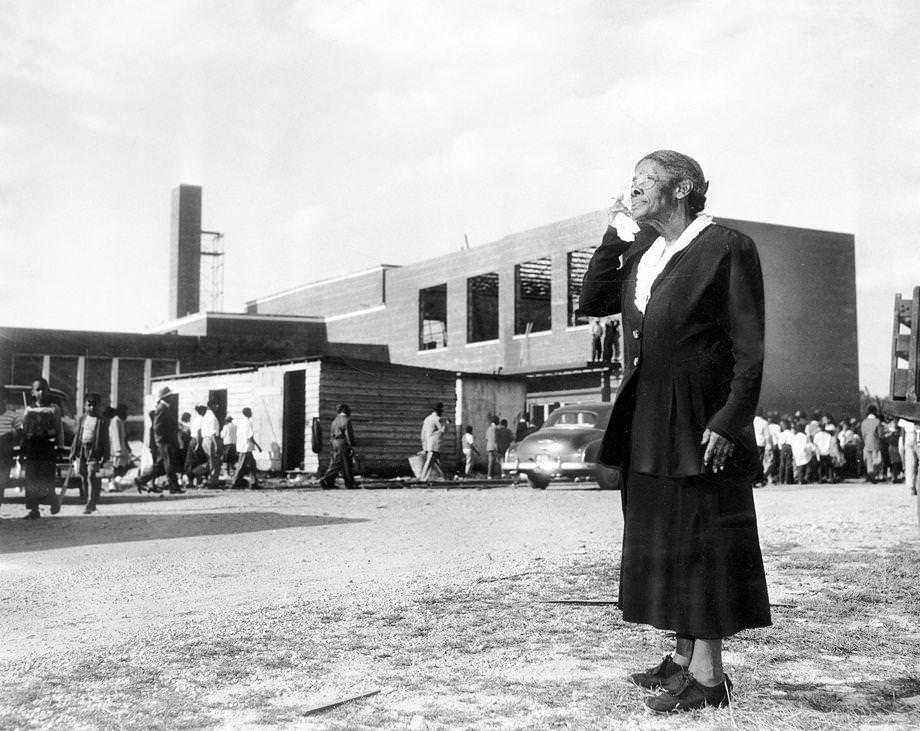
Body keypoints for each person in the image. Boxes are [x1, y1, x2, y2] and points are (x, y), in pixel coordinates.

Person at [579, 150, 770, 713]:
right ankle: (683, 659)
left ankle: (709, 680)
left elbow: (750, 348)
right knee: (664, 538)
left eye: (644, 183)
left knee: (699, 539)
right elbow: (591, 301)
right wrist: (617, 233)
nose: (632, 189)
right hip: (648, 415)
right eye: (630, 183)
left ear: (682, 188)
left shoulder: (726, 247)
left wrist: (730, 419)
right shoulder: (647, 250)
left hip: (698, 417)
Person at [20, 377, 65, 520]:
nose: (42, 392)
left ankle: (53, 501)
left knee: (47, 478)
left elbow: (59, 428)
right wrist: (23, 444)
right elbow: (25, 429)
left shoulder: (54, 408)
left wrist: (60, 446)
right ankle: (34, 509)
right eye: (38, 389)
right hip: (33, 447)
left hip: (47, 447)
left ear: (48, 391)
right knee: (31, 478)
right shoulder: (28, 409)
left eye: (44, 389)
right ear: (33, 392)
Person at [134, 387, 184, 495]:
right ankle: (174, 487)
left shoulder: (165, 408)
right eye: (170, 396)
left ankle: (141, 480)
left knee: (161, 466)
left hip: (167, 441)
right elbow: (157, 427)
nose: (172, 398)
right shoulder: (162, 408)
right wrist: (160, 441)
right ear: (165, 397)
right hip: (165, 442)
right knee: (169, 464)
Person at [69, 393, 110, 514]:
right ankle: (88, 499)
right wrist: (73, 451)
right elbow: (77, 436)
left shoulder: (102, 421)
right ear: (85, 406)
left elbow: (106, 439)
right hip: (82, 449)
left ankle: (91, 501)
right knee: (83, 475)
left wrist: (105, 455)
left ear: (99, 407)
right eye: (89, 405)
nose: (92, 408)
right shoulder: (82, 418)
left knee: (91, 475)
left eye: (95, 406)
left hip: (94, 450)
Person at [0, 386, 23, 513]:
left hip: (4, 455)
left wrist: (12, 436)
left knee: (1, 483)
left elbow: (20, 433)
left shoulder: (12, 416)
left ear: (5, 400)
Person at [231, 408, 263, 489]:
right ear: (248, 413)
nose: (252, 413)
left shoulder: (241, 422)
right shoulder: (248, 422)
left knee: (252, 465)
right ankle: (234, 482)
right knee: (241, 466)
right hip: (246, 447)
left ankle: (253, 483)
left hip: (244, 447)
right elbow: (250, 436)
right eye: (250, 412)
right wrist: (257, 446)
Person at [106, 404, 134, 490]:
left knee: (127, 467)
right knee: (117, 468)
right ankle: (112, 485)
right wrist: (118, 450)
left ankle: (115, 483)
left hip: (122, 449)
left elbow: (123, 437)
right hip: (117, 450)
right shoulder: (115, 421)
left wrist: (128, 448)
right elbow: (115, 436)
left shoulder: (120, 421)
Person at [420, 403, 445, 482]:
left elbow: (423, 433)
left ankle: (442, 478)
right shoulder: (437, 419)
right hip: (434, 445)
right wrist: (446, 423)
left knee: (437, 461)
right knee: (429, 462)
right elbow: (442, 430)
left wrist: (424, 446)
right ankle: (423, 478)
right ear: (439, 411)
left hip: (429, 444)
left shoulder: (427, 419)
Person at [200, 401, 222, 488]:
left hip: (205, 439)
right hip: (211, 440)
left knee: (210, 461)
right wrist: (216, 445)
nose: (217, 406)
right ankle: (213, 482)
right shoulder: (212, 417)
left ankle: (209, 480)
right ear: (211, 405)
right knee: (215, 462)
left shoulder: (206, 416)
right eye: (216, 404)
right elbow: (213, 432)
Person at [861, 405, 882, 483]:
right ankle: (874, 475)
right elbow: (880, 434)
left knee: (869, 460)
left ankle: (870, 474)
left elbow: (863, 434)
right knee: (876, 460)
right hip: (875, 443)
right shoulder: (877, 421)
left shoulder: (864, 422)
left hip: (867, 443)